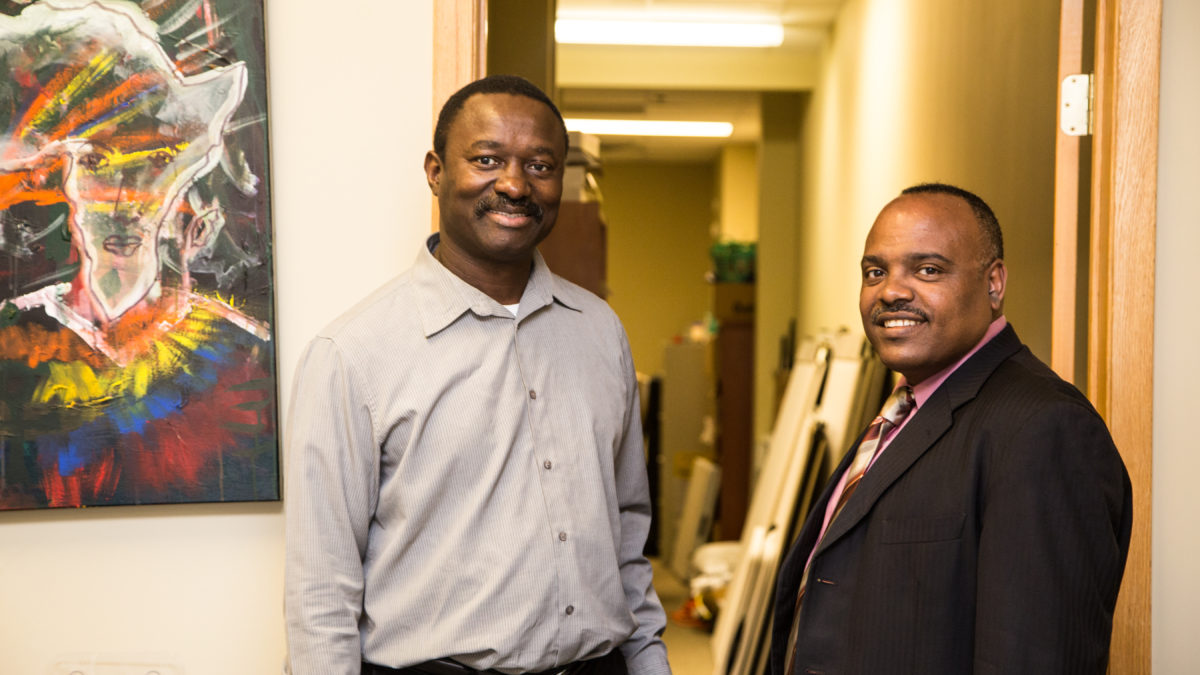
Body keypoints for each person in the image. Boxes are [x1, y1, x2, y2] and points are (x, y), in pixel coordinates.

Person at [284, 75, 670, 675]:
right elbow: (320, 598)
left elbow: (627, 537)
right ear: (436, 171)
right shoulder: (351, 354)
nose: (515, 184)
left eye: (540, 165)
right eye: (487, 160)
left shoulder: (601, 332)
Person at [770, 183, 1132, 674]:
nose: (891, 291)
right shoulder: (906, 410)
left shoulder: (1044, 429)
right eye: (875, 271)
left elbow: (1033, 658)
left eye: (928, 270)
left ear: (994, 284)